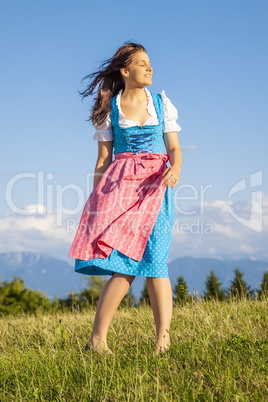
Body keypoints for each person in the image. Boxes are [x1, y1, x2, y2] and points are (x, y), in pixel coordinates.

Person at [68, 41, 182, 355]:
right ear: (125, 70)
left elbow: (173, 148)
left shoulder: (161, 103)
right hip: (120, 191)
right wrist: (96, 201)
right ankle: (97, 340)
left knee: (156, 260)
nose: (150, 67)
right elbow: (104, 159)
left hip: (156, 187)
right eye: (142, 63)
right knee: (125, 264)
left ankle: (163, 341)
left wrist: (177, 168)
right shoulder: (111, 107)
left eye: (150, 62)